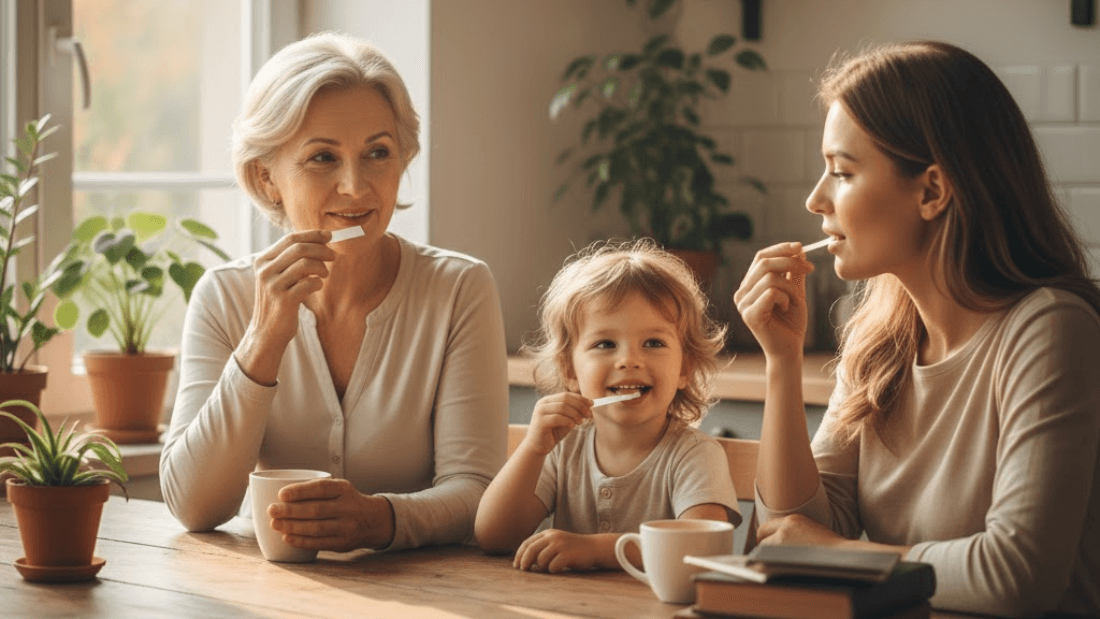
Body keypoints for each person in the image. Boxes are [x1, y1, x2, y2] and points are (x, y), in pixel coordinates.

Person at [734, 41, 1100, 617]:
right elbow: (790, 531)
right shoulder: (879, 340)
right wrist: (782, 362)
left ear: (931, 190)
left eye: (841, 172)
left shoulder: (1050, 330)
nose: (815, 199)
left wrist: (839, 555)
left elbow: (1017, 576)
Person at [160, 32, 509, 551]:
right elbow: (193, 507)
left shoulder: (459, 289)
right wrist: (264, 338)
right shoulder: (223, 296)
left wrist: (382, 519)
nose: (356, 186)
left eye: (377, 153)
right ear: (267, 177)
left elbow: (477, 490)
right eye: (323, 158)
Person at [476, 240, 740, 573]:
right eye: (605, 344)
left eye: (653, 343)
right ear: (570, 370)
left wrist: (597, 550)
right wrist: (533, 448)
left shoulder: (694, 455)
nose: (629, 360)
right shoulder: (561, 448)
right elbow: (493, 536)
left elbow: (701, 550)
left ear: (684, 368)